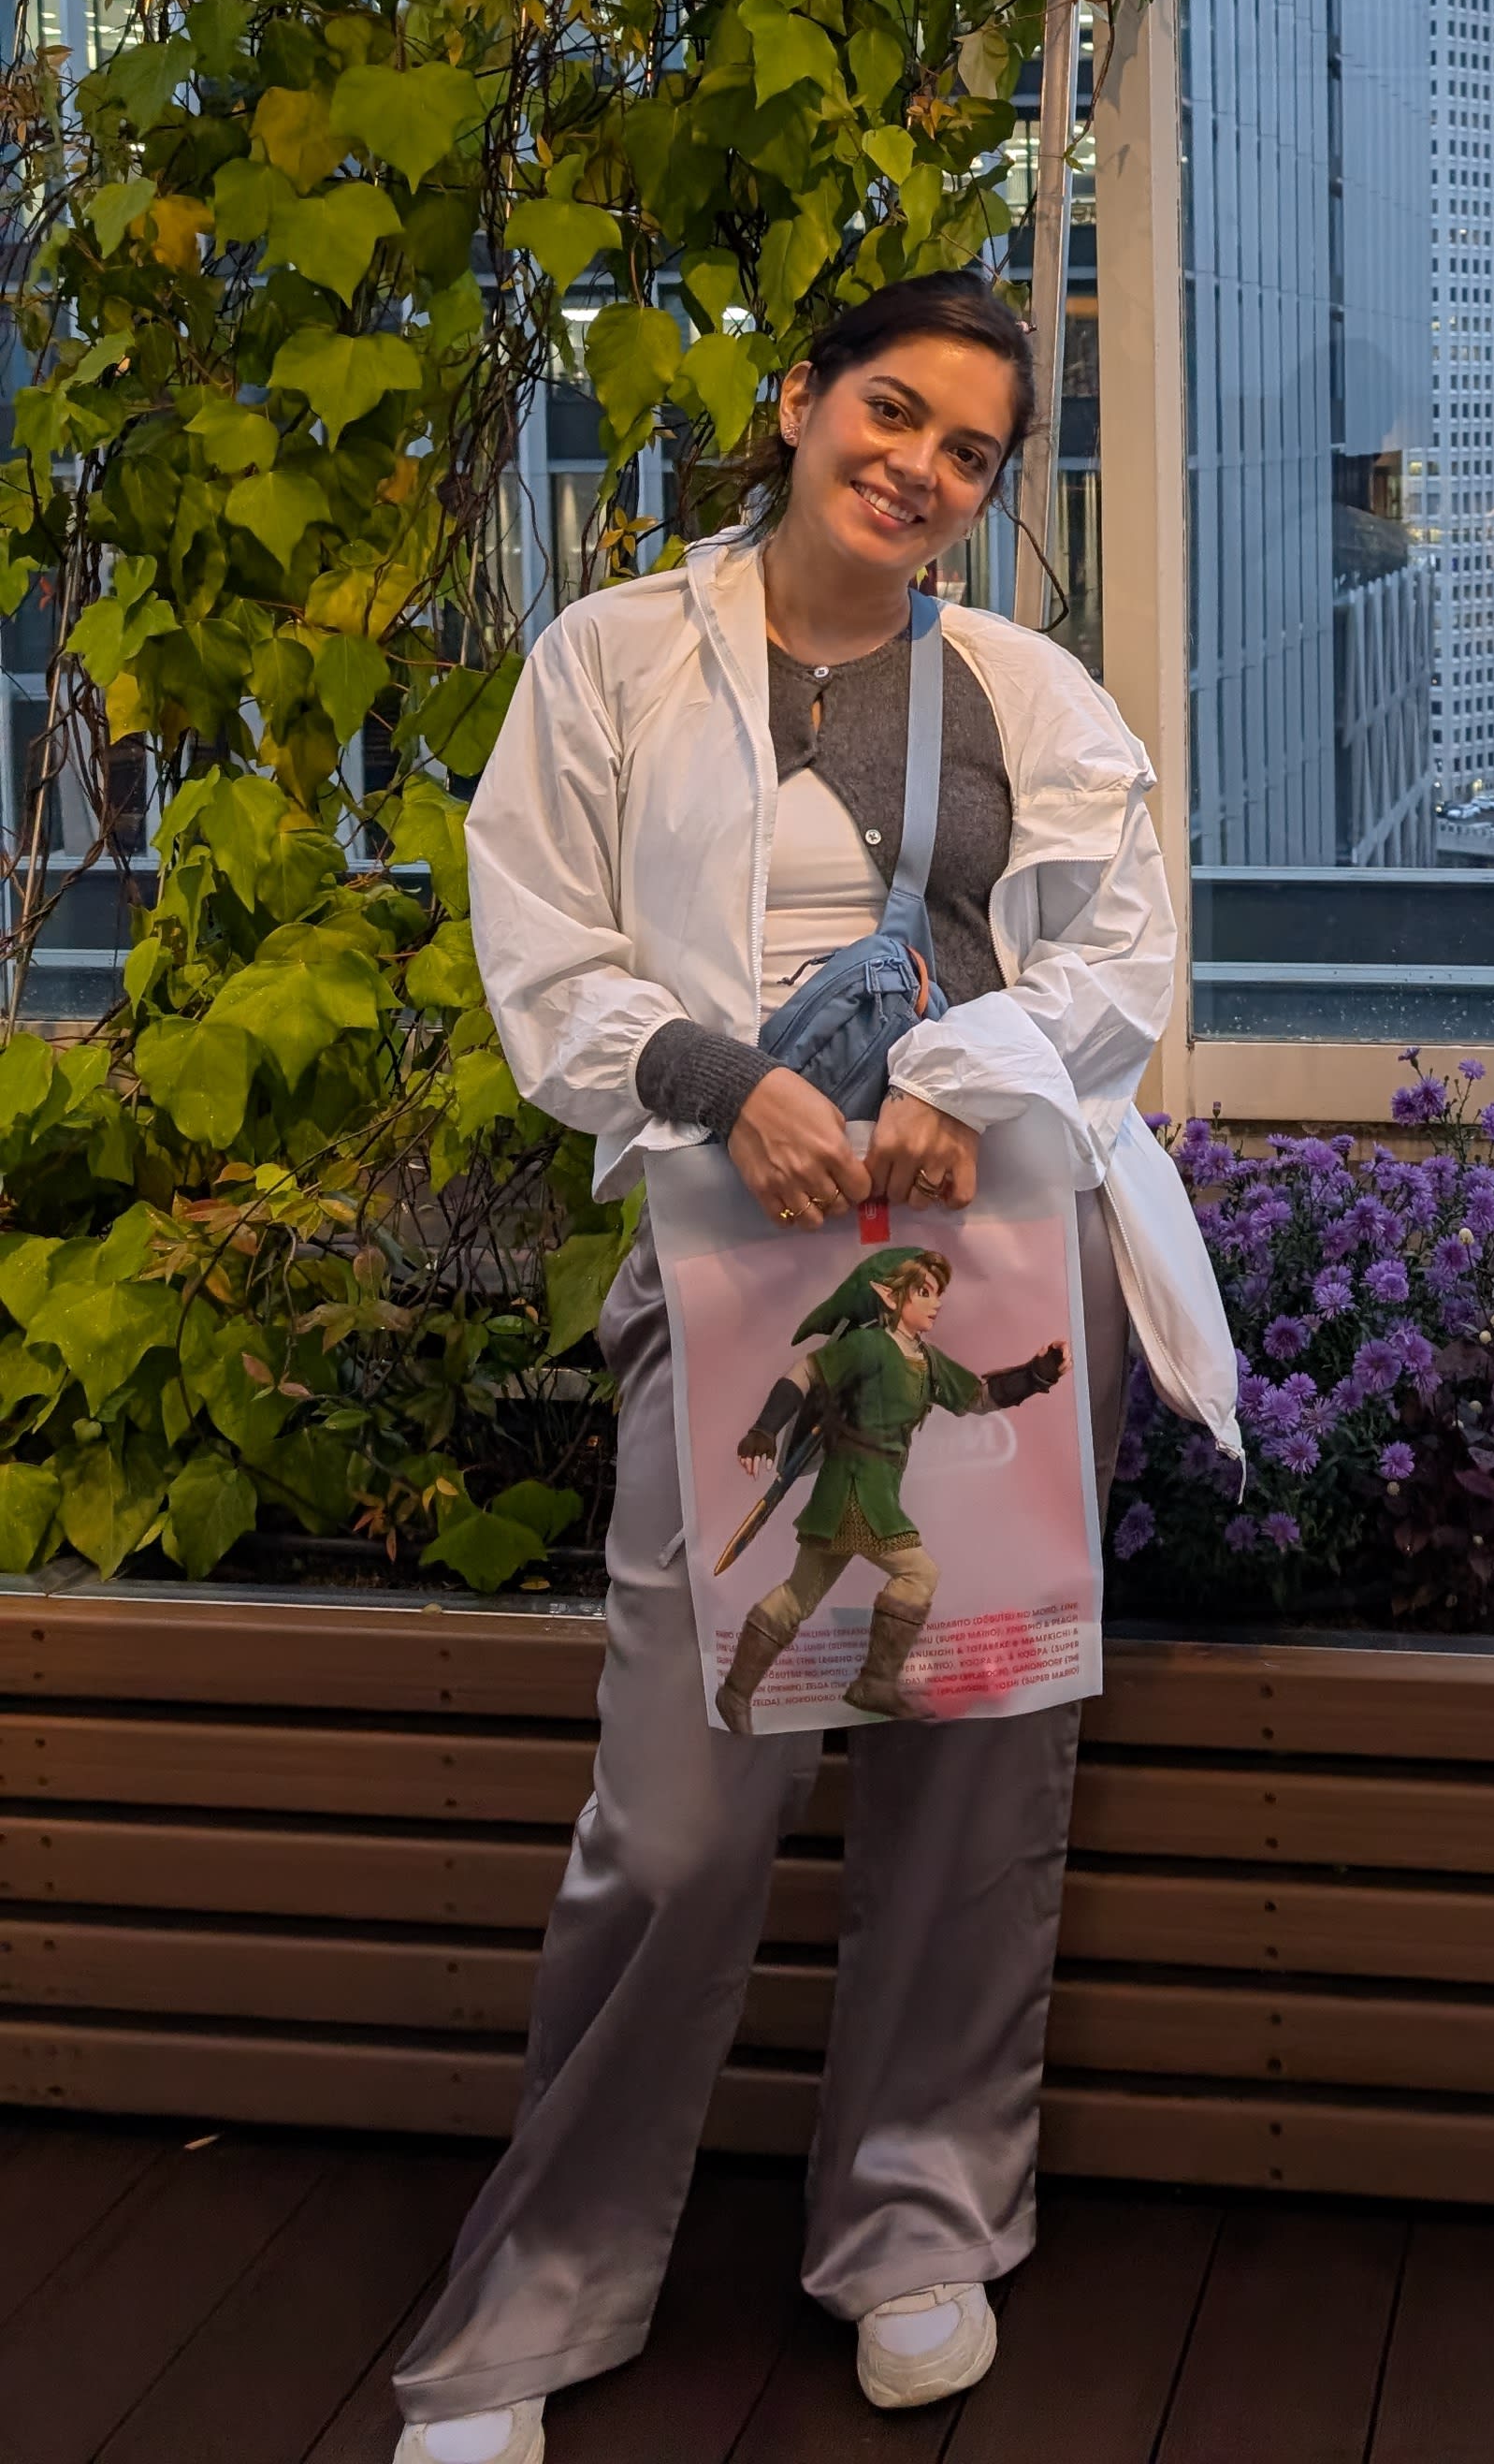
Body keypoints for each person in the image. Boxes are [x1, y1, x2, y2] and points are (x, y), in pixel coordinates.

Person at [389, 272, 1238, 2464]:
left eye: (967, 447)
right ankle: (546, 2281)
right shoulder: (614, 662)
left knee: (973, 1759)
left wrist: (976, 1063)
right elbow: (541, 935)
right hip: (731, 1249)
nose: (921, 467)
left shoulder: (1027, 686)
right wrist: (704, 1067)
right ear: (794, 402)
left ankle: (917, 2216)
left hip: (993, 1256)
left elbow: (1118, 946)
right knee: (676, 1809)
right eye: (890, 409)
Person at [716, 1242, 1069, 1729]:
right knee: (918, 1575)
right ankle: (875, 1682)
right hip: (858, 1488)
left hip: (871, 1486)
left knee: (799, 1595)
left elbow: (980, 1398)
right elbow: (803, 1374)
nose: (935, 1301)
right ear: (888, 1294)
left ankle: (735, 1692)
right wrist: (764, 1429)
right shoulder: (867, 1346)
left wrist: (1035, 1374)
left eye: (936, 1292)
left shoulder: (926, 1360)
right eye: (923, 1291)